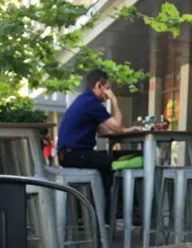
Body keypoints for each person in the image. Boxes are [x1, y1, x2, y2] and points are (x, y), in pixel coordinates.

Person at [57, 68, 140, 220]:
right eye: (107, 89)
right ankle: (122, 211)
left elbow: (105, 131)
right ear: (98, 85)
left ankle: (105, 213)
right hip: (75, 154)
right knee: (118, 160)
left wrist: (130, 129)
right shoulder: (92, 103)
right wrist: (115, 102)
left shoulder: (84, 100)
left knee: (109, 164)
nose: (108, 95)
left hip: (69, 155)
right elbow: (118, 128)